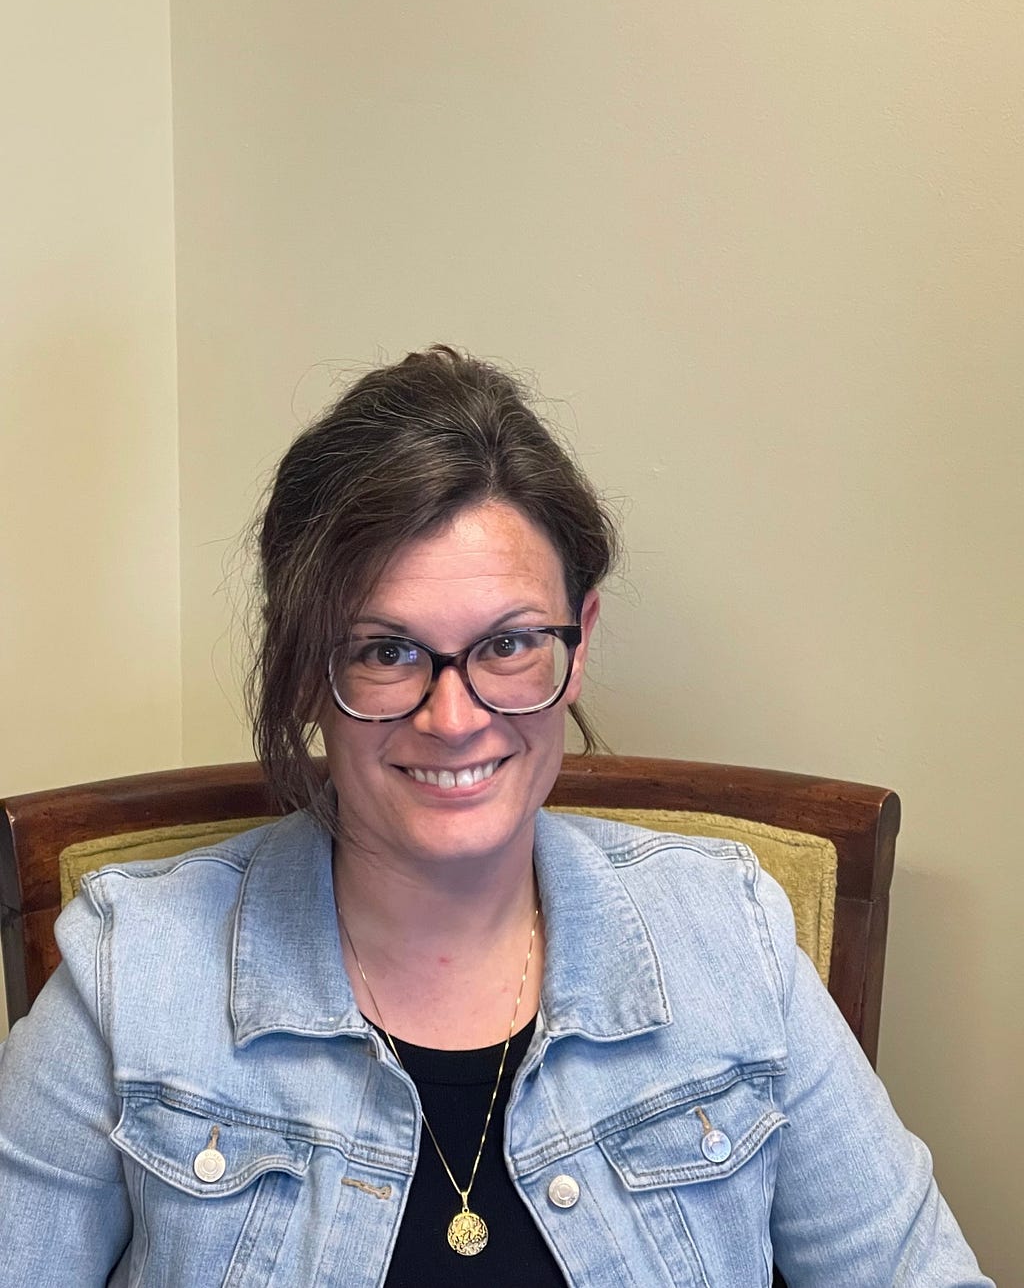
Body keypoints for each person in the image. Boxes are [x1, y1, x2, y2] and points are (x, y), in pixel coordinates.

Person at [0, 346, 992, 1286]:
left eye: (510, 644)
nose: (454, 716)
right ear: (306, 666)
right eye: (386, 651)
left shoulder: (731, 937)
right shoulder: (129, 975)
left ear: (578, 641)